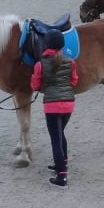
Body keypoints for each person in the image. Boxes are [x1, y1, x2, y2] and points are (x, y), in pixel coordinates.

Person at [30, 29, 78, 188]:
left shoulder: (40, 64)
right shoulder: (71, 62)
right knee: (60, 134)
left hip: (52, 106)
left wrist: (45, 86)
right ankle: (62, 163)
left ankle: (61, 176)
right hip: (68, 104)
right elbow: (74, 81)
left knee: (55, 140)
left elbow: (35, 85)